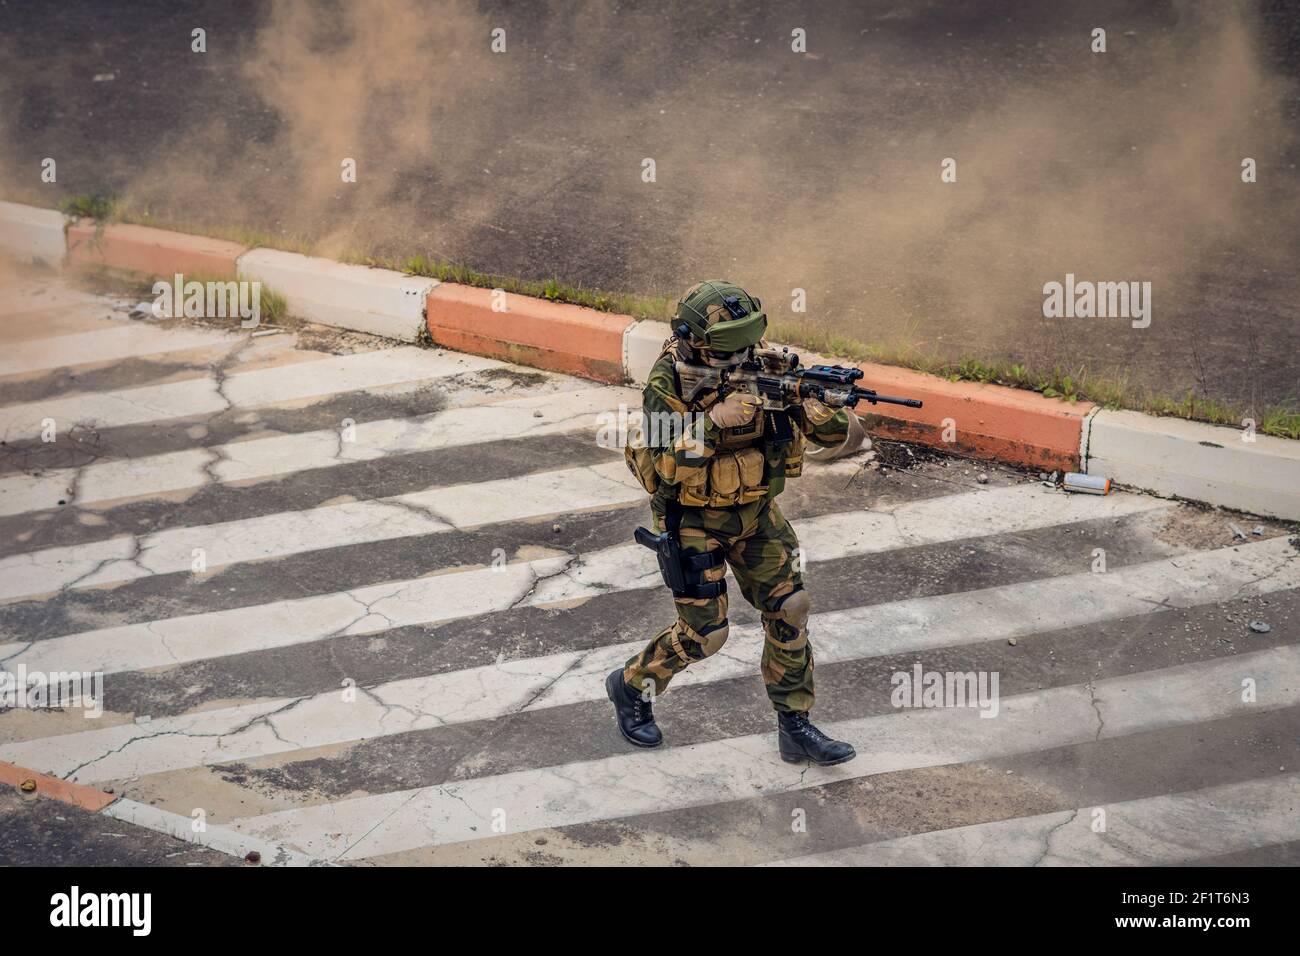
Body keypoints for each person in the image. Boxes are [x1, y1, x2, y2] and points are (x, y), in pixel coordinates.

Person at [608, 280, 857, 765]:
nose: (744, 352)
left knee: (792, 608)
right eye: (730, 344)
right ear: (699, 339)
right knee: (706, 635)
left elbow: (835, 437)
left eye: (748, 340)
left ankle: (795, 724)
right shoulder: (669, 382)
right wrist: (713, 422)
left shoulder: (766, 369)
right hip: (693, 519)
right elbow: (665, 469)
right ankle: (634, 685)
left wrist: (816, 409)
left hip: (756, 513)